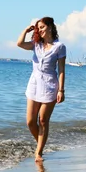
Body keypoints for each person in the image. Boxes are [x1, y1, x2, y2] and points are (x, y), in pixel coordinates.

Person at [17, 17, 66, 162]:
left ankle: (39, 152)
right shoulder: (36, 44)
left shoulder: (60, 47)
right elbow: (19, 44)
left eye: (43, 27)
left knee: (43, 120)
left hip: (50, 85)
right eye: (38, 28)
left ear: (50, 27)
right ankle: (40, 142)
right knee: (31, 121)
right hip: (34, 85)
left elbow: (62, 70)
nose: (40, 30)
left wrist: (61, 90)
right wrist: (26, 30)